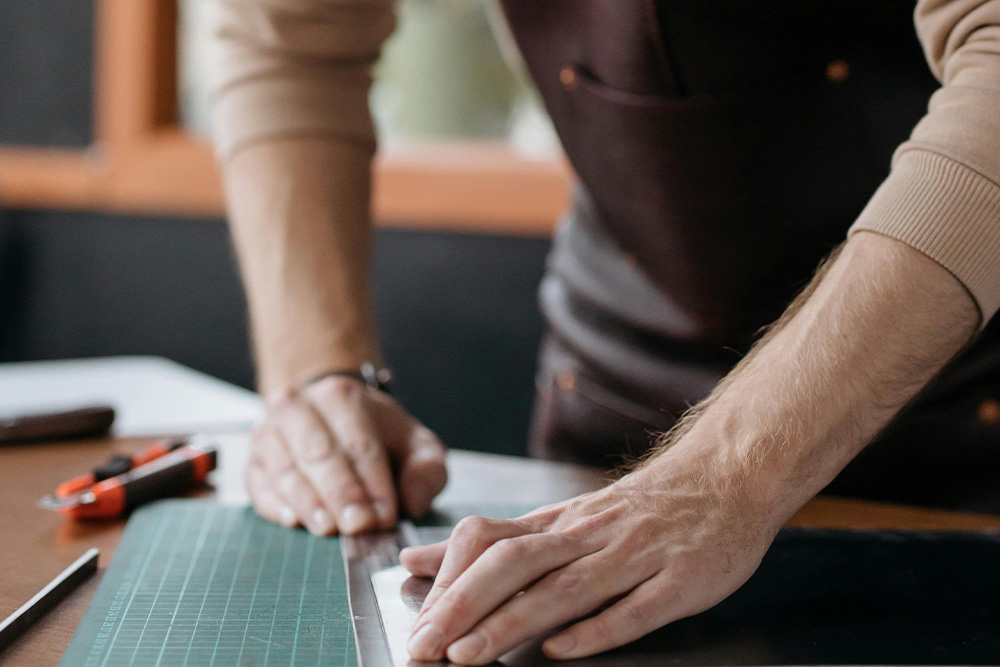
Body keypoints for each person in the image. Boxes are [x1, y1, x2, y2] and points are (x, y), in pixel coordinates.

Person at [212, 0, 1000, 663]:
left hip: (961, 412)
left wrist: (726, 471)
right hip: (612, 394)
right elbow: (288, 44)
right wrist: (318, 371)